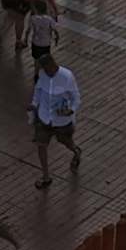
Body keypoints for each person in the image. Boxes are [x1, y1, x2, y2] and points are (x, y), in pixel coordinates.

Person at [29, 55, 83, 189]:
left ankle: (76, 151)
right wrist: (34, 104)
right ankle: (46, 176)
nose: (45, 72)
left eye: (47, 69)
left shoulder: (67, 76)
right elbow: (38, 91)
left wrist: (70, 110)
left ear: (53, 64)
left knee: (66, 142)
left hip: (61, 122)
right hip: (44, 118)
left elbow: (76, 97)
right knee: (41, 145)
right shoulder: (42, 74)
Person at [25, 0, 61, 67]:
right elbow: (51, 0)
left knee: (37, 30)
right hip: (47, 14)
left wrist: (35, 12)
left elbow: (30, 1)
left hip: (36, 14)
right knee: (46, 32)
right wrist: (56, 12)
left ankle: (38, 60)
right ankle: (45, 51)